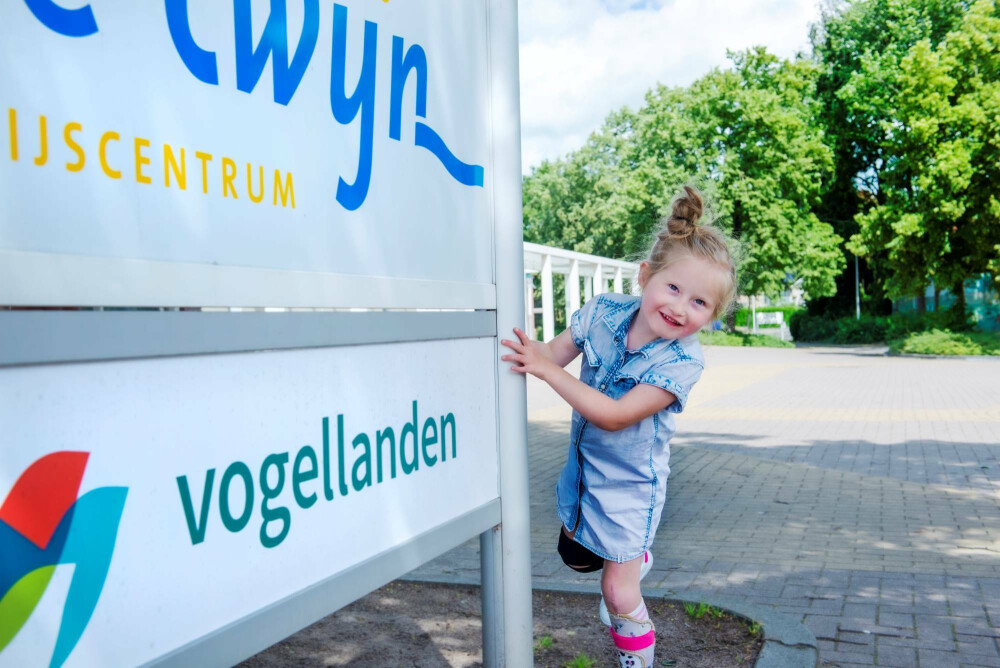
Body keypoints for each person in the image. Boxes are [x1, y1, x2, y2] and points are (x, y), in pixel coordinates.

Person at [501, 185, 737, 668]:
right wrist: (523, 349)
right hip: (585, 472)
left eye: (699, 303)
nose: (679, 307)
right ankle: (637, 559)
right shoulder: (605, 311)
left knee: (616, 589)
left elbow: (614, 414)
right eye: (673, 288)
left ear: (712, 315)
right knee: (577, 558)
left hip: (632, 489)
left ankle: (637, 654)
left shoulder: (682, 361)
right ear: (646, 276)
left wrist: (548, 373)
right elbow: (552, 353)